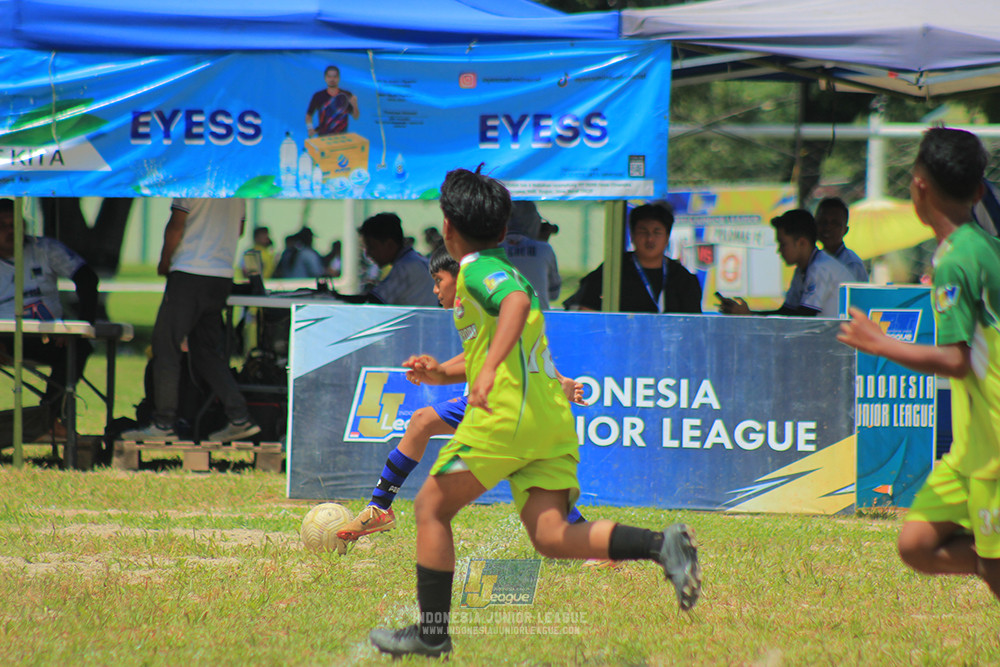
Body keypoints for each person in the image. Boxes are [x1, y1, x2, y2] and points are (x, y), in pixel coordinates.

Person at [368, 167, 701, 658]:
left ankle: (432, 633)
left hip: (508, 417)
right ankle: (662, 545)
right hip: (547, 420)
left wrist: (488, 373)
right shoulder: (502, 269)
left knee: (430, 508)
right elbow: (496, 341)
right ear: (504, 229)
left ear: (447, 229)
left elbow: (517, 305)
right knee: (551, 536)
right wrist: (444, 372)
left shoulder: (478, 270)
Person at [838, 128, 1000, 602]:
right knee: (916, 545)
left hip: (992, 445)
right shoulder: (984, 247)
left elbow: (954, 359)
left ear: (918, 186)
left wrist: (881, 343)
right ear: (977, 191)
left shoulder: (956, 260)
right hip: (971, 446)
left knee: (994, 577)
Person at [337, 245, 586, 541]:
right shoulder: (474, 306)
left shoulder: (482, 300)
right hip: (501, 400)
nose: (434, 289)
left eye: (438, 280)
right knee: (422, 421)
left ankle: (595, 542)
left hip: (513, 404)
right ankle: (380, 508)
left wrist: (556, 383)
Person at [122, 198, 260, 444]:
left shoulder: (190, 180)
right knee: (205, 352)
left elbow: (176, 225)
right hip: (221, 275)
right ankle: (240, 418)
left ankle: (163, 423)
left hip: (189, 272)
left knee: (166, 346)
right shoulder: (237, 188)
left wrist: (165, 261)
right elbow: (238, 230)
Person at [0, 199, 99, 426]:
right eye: (2, 225)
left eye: (15, 223)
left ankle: (49, 418)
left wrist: (80, 327)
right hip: (4, 336)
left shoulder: (44, 249)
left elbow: (87, 278)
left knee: (78, 347)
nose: (10, 230)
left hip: (47, 336)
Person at [567, 203, 702, 313]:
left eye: (657, 232)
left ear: (667, 237)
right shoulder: (613, 270)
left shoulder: (682, 277)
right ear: (632, 235)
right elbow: (586, 309)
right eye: (643, 232)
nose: (650, 239)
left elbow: (694, 322)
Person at [718, 209, 854, 318]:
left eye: (783, 244)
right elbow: (786, 311)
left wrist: (750, 315)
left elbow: (803, 318)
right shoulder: (804, 268)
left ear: (801, 243)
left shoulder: (820, 268)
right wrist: (749, 314)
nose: (779, 250)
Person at [334, 212, 437, 306]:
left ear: (389, 245)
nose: (368, 253)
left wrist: (336, 297)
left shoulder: (405, 267)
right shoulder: (414, 260)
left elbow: (373, 301)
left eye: (372, 247)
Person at [500, 201, 562, 310]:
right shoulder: (544, 249)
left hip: (499, 319)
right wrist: (541, 242)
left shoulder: (491, 249)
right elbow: (554, 294)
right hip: (537, 320)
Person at [815, 197, 868, 282]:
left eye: (834, 223)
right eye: (823, 222)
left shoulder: (851, 264)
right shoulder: (814, 260)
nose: (828, 227)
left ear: (845, 230)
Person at [305, 65, 359, 137]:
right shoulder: (318, 96)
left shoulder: (346, 95)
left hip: (342, 138)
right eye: (329, 77)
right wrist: (310, 128)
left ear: (339, 78)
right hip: (323, 138)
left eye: (335, 77)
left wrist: (355, 105)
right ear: (325, 78)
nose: (332, 79)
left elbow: (356, 116)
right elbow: (309, 115)